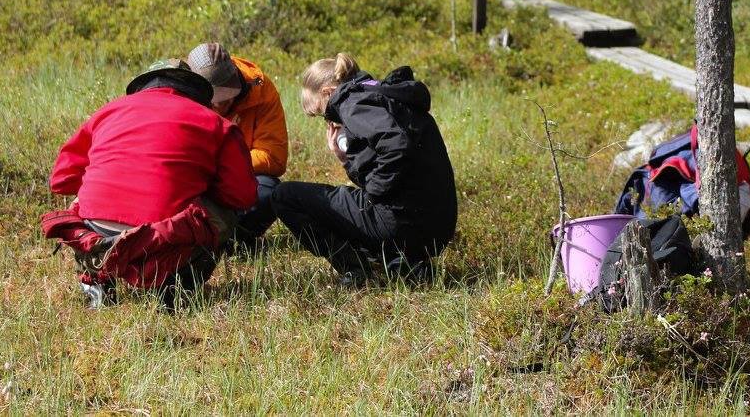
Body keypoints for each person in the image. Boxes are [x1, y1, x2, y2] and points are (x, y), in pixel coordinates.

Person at [40, 59, 258, 309]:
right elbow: (242, 196)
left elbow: (61, 180)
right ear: (195, 91)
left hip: (93, 229)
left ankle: (96, 279)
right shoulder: (218, 124)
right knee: (223, 215)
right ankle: (175, 291)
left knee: (81, 198)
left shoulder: (108, 111)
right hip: (164, 236)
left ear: (145, 85)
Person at [271, 53, 457, 285]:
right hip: (437, 229)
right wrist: (346, 159)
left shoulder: (353, 104)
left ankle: (356, 268)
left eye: (324, 113)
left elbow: (398, 146)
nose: (330, 121)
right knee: (357, 201)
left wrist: (374, 192)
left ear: (329, 93)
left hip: (401, 225)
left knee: (284, 196)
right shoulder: (383, 95)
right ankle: (403, 262)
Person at [186, 42, 289, 244]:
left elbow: (274, 158)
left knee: (270, 190)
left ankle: (234, 239)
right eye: (213, 99)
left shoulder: (261, 90)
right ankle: (193, 235)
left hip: (235, 178)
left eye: (225, 97)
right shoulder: (182, 90)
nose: (219, 104)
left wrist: (220, 164)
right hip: (194, 180)